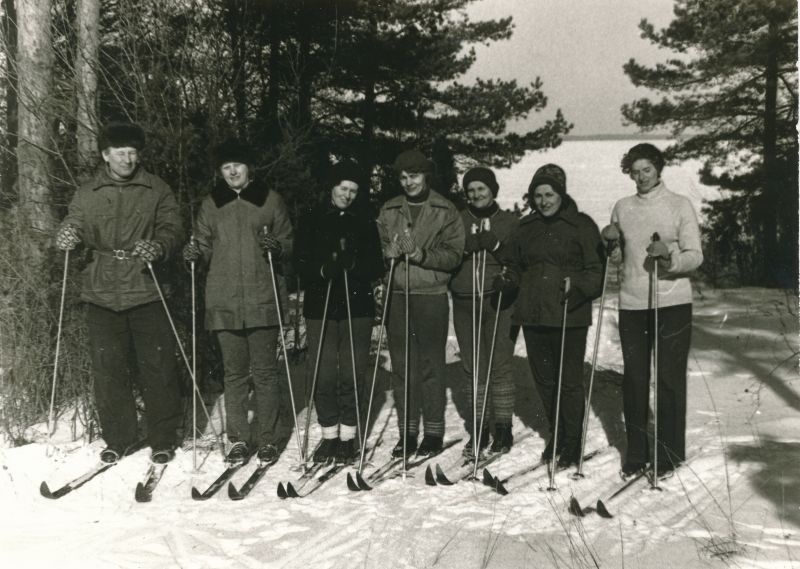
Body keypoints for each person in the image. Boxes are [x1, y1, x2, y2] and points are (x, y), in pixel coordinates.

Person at [55, 122, 183, 465]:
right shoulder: (88, 192)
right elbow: (74, 221)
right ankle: (119, 437)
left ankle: (163, 438)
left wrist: (159, 246)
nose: (128, 159)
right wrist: (67, 234)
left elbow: (173, 228)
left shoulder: (156, 189)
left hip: (146, 288)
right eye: (120, 152)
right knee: (108, 370)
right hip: (101, 291)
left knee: (157, 367)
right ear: (105, 155)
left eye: (133, 152)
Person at [182, 138, 293, 465]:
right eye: (226, 167)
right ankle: (238, 439)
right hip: (224, 301)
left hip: (262, 298)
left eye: (238, 165)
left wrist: (278, 247)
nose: (232, 172)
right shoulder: (212, 204)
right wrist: (193, 254)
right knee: (234, 374)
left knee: (265, 373)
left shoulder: (270, 200)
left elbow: (288, 241)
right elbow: (202, 244)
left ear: (249, 168)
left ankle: (268, 438)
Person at [602, 143, 703, 479]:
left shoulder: (679, 205)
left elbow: (695, 255)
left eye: (646, 169)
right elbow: (619, 259)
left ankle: (669, 453)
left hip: (672, 302)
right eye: (635, 172)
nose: (641, 177)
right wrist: (611, 245)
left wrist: (670, 258)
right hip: (633, 303)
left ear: (658, 168)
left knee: (669, 379)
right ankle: (637, 452)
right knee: (634, 379)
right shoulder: (623, 207)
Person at [495, 164, 603, 468]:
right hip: (533, 313)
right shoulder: (525, 227)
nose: (543, 201)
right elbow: (513, 264)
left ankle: (573, 441)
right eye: (538, 195)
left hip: (569, 313)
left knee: (569, 381)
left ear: (561, 194)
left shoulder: (582, 225)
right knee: (544, 380)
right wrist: (507, 279)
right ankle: (558, 433)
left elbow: (596, 270)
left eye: (549, 194)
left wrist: (578, 286)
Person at [293, 161, 385, 464]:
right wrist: (323, 269)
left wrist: (354, 265)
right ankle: (329, 435)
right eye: (343, 188)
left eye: (354, 190)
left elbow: (377, 266)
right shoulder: (311, 217)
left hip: (356, 306)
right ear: (332, 187)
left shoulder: (365, 221)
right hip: (321, 305)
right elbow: (299, 262)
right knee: (323, 373)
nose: (347, 195)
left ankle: (347, 437)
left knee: (351, 372)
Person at [378, 149, 465, 457]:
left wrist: (420, 255)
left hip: (431, 296)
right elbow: (376, 247)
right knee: (402, 367)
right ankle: (408, 433)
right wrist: (387, 253)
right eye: (403, 177)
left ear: (425, 175)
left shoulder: (445, 210)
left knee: (431, 365)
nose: (408, 182)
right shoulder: (390, 209)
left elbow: (454, 255)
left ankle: (433, 432)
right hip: (398, 296)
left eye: (414, 176)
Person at [449, 167, 518, 457]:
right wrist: (465, 250)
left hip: (498, 300)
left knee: (499, 364)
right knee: (473, 366)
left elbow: (518, 260)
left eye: (481, 188)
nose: (476, 194)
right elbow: (446, 257)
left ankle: (503, 428)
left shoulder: (509, 221)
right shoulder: (458, 220)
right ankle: (479, 428)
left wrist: (497, 247)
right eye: (471, 190)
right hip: (465, 301)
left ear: (493, 190)